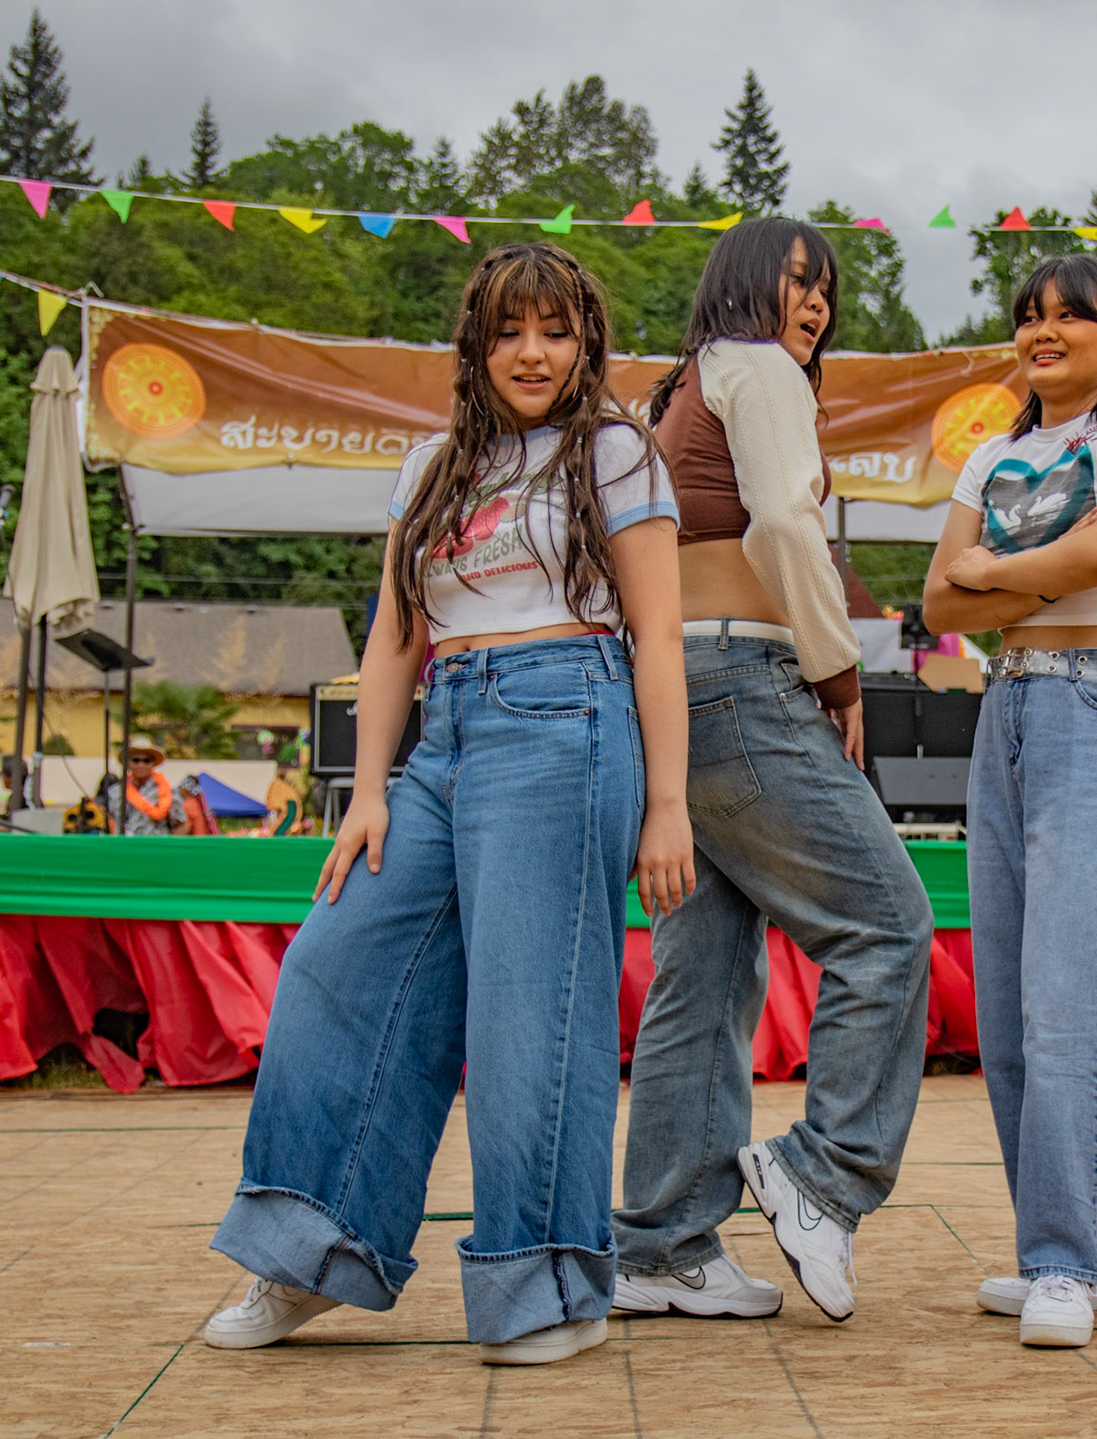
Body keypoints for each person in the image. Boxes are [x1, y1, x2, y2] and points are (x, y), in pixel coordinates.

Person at [204, 242, 690, 1366]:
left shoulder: (614, 450)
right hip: (446, 731)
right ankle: (311, 1252)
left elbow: (659, 632)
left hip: (567, 717)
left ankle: (550, 1284)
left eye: (556, 330)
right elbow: (393, 635)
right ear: (475, 344)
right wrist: (367, 789)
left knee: (529, 1017)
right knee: (335, 965)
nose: (533, 352)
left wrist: (668, 801)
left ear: (588, 343)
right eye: (509, 330)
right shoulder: (431, 464)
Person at [611, 218, 933, 1325]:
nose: (817, 303)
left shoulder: (676, 391)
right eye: (798, 280)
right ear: (746, 284)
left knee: (702, 976)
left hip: (675, 696)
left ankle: (661, 1242)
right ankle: (823, 1173)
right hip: (745, 683)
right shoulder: (756, 368)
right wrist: (839, 675)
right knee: (889, 925)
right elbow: (789, 526)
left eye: (826, 288)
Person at [923, 254, 1097, 1349]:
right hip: (1009, 711)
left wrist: (993, 570)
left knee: (1069, 1002)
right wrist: (1031, 575)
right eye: (1029, 316)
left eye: (1070, 316)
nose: (1043, 331)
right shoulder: (994, 452)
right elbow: (938, 603)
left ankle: (1063, 1262)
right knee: (1010, 1015)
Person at [101, 736, 188, 836]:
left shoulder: (166, 792)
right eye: (136, 760)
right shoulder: (116, 791)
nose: (141, 765)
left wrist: (168, 844)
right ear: (128, 763)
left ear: (153, 763)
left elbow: (182, 825)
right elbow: (109, 820)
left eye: (146, 761)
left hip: (154, 844)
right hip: (124, 844)